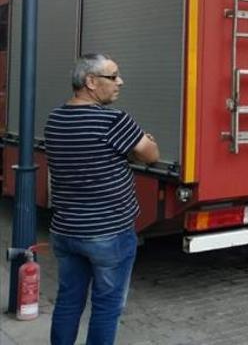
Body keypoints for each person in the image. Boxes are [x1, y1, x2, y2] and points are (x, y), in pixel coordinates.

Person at [45, 54, 160, 345]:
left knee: (68, 301)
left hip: (66, 230)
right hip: (109, 233)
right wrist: (142, 142)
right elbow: (151, 155)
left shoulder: (55, 119)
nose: (120, 82)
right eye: (113, 76)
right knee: (107, 307)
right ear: (90, 82)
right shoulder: (114, 121)